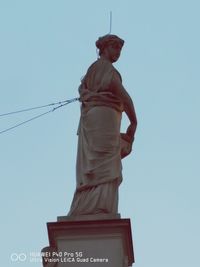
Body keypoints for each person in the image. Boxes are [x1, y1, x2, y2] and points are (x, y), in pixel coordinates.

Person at [67, 34, 137, 217]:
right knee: (106, 161)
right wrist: (134, 121)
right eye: (115, 48)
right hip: (104, 118)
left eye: (120, 50)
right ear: (104, 48)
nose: (118, 53)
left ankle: (87, 204)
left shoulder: (92, 70)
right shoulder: (105, 69)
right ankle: (100, 205)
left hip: (93, 118)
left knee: (94, 162)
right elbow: (124, 96)